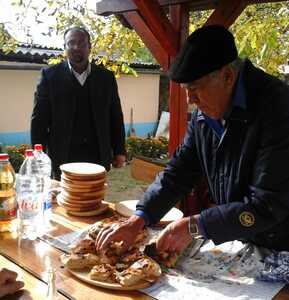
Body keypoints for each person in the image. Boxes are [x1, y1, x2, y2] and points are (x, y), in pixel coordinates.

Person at [95, 25, 289, 255]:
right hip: (242, 241)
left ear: (227, 76)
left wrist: (196, 226)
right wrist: (139, 218)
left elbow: (267, 204)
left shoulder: (278, 107)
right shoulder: (205, 113)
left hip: (281, 243)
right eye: (187, 90)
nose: (191, 100)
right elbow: (179, 171)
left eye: (195, 89)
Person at [31, 27, 126, 179]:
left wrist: (119, 150)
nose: (76, 47)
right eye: (71, 43)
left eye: (81, 43)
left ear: (89, 47)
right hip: (62, 155)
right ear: (64, 48)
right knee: (65, 200)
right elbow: (39, 120)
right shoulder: (49, 76)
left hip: (97, 155)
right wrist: (37, 155)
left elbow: (115, 115)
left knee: (94, 198)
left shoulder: (106, 78)